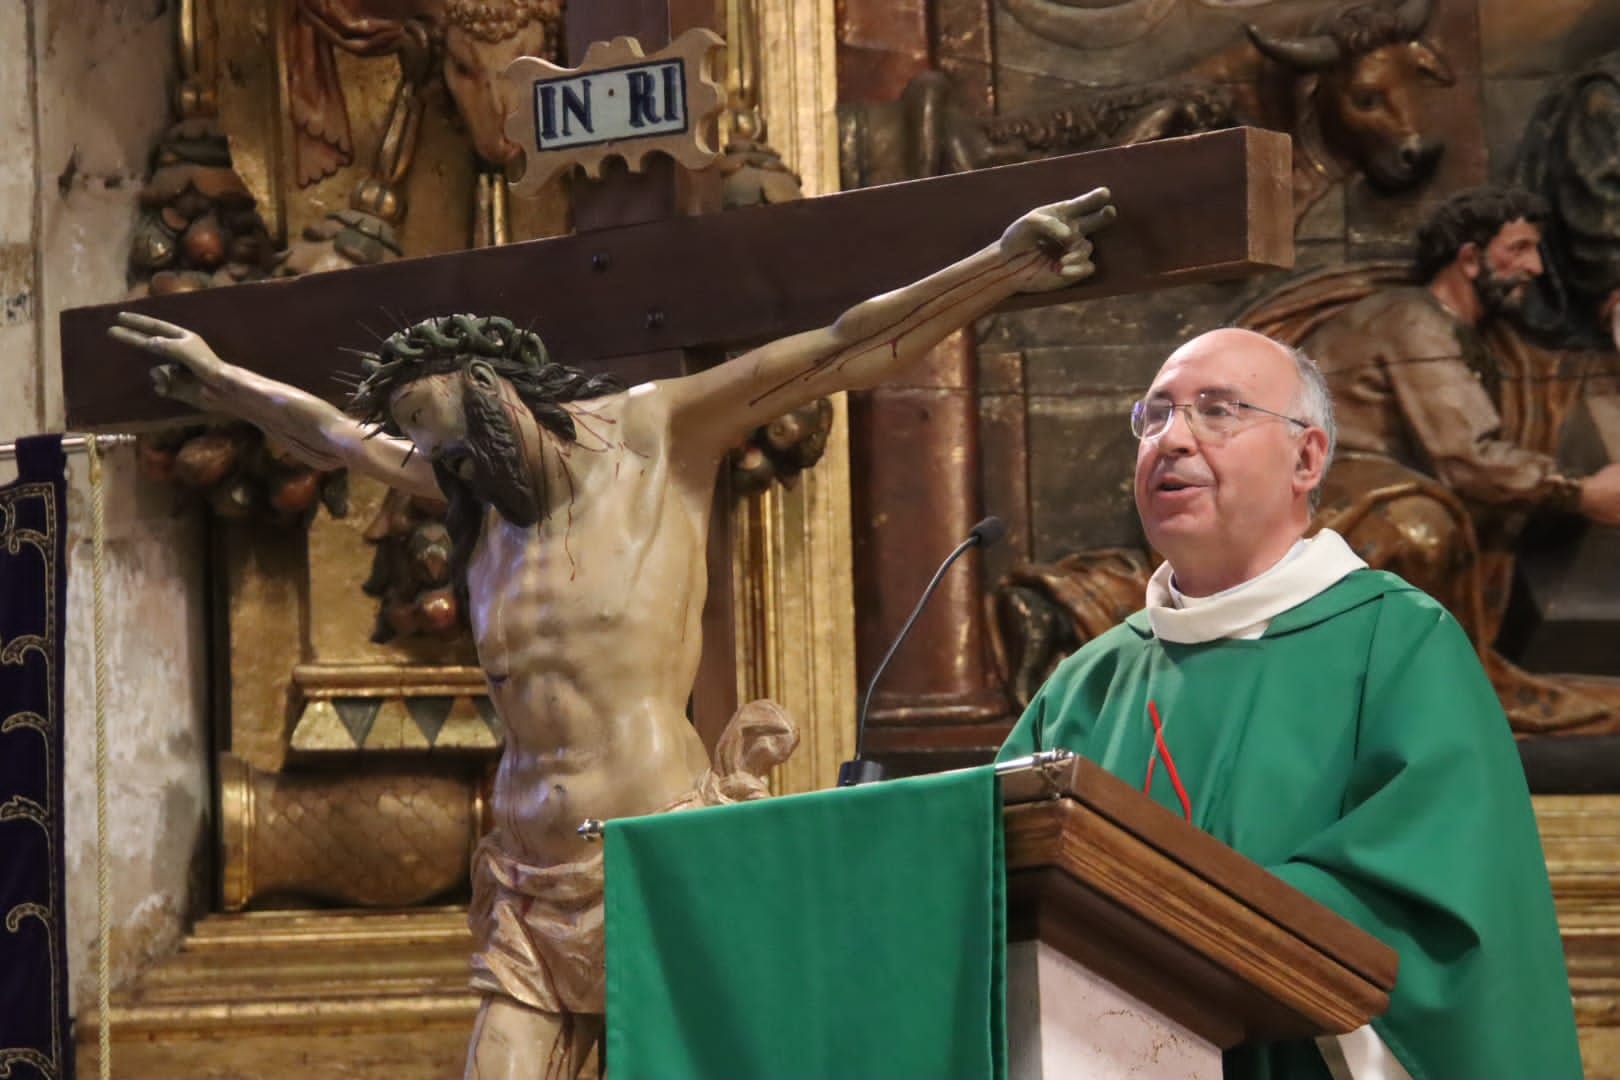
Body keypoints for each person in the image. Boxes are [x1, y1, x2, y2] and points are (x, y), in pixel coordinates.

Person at [109, 187, 1114, 1080]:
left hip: (652, 853)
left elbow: (847, 346)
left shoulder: (658, 435)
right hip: (523, 870)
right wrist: (221, 383)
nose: (441, 469)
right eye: (431, 451)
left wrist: (1006, 264)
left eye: (452, 437)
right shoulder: (473, 491)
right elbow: (330, 438)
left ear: (498, 391)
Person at [998, 327, 1582, 1079]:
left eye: (1217, 411)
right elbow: (988, 889)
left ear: (1307, 459)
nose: (1172, 440)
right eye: (1155, 416)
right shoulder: (1087, 682)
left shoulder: (1398, 645)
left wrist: (1183, 921)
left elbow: (1439, 908)